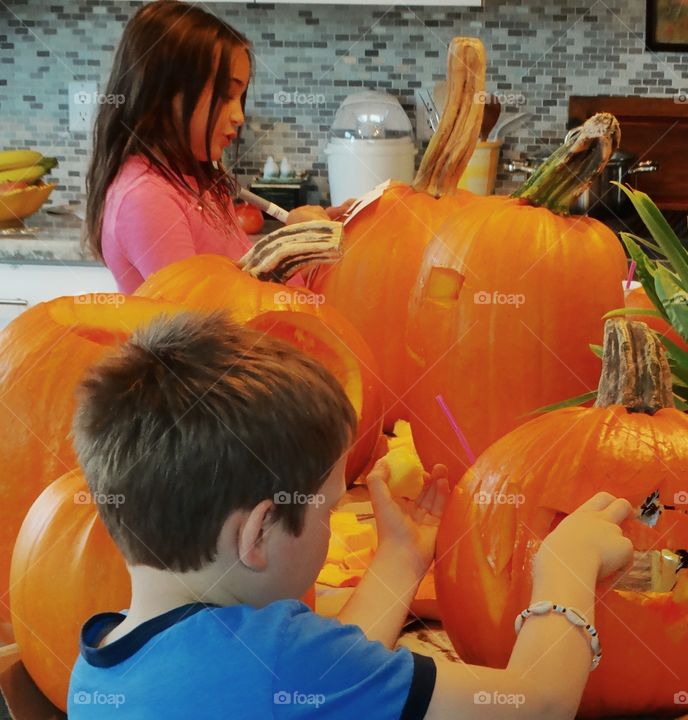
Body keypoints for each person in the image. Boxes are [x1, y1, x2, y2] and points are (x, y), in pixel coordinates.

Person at [67, 311, 635, 719]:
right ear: (259, 532)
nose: (333, 525)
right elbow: (537, 702)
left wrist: (401, 557)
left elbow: (325, 676)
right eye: (331, 510)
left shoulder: (99, 669)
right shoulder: (283, 662)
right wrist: (567, 563)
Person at [84, 1, 345, 294]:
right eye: (225, 95)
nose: (239, 116)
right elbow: (207, 323)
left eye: (240, 97)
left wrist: (308, 244)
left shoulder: (195, 183)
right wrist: (289, 247)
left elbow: (243, 284)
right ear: (162, 94)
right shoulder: (146, 199)